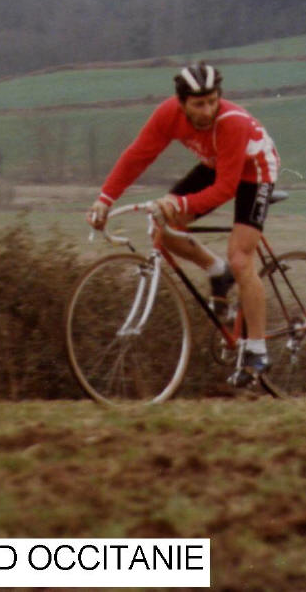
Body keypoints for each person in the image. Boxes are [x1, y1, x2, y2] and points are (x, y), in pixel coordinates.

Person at [86, 63, 280, 386]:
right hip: (216, 164)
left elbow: (226, 188)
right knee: (162, 229)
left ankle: (258, 350)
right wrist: (104, 199)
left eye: (213, 101)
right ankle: (217, 272)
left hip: (253, 171)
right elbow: (138, 155)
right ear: (181, 103)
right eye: (198, 104)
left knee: (241, 257)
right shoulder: (167, 115)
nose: (207, 110)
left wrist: (181, 203)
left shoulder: (230, 122)